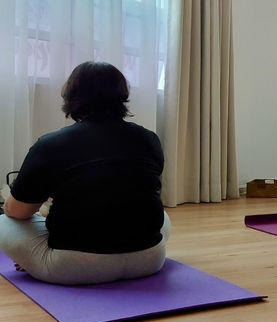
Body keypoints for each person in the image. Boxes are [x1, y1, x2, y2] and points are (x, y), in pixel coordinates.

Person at [0, 62, 169, 285]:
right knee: (164, 218)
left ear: (71, 95)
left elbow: (17, 211)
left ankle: (37, 261)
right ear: (122, 95)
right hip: (150, 260)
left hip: (73, 268)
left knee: (4, 221)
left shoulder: (51, 144)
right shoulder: (150, 139)